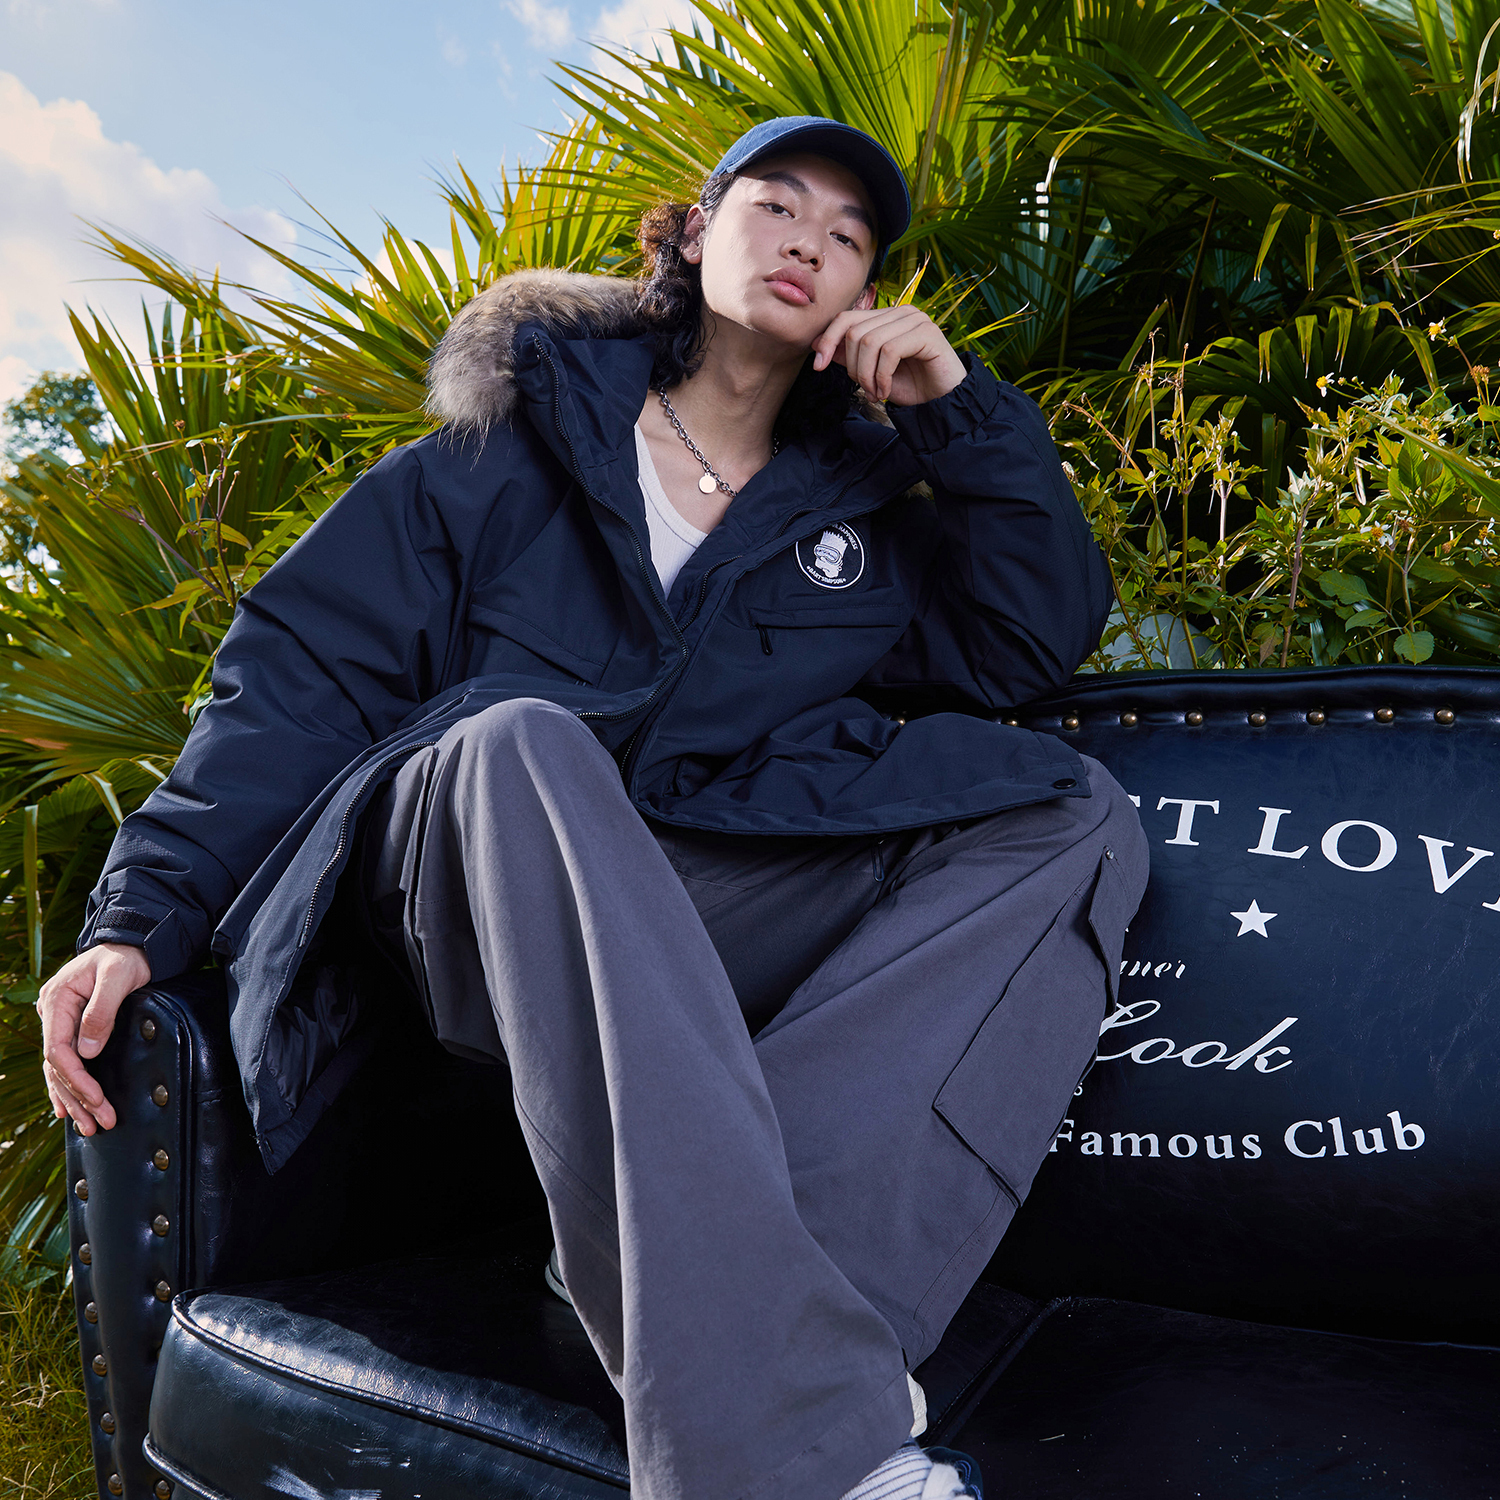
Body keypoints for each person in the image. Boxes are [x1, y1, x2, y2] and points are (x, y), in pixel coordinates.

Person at [37, 116, 1148, 1500]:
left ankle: (678, 1288)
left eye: (849, 235)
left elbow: (1028, 639)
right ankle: (795, 1450)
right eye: (776, 204)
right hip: (461, 897)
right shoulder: (503, 449)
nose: (808, 242)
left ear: (865, 295)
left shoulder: (864, 514)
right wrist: (142, 914)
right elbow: (300, 680)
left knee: (1072, 811)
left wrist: (954, 416)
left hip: (683, 904)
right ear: (696, 229)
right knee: (526, 741)